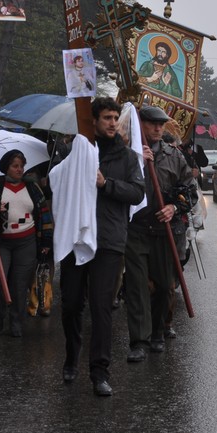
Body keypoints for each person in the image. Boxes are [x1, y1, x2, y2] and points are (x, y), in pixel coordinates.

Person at [55, 97, 144, 396]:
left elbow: (136, 193)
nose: (112, 123)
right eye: (106, 117)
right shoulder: (75, 152)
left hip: (108, 239)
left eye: (115, 118)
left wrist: (107, 184)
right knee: (70, 304)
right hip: (76, 237)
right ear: (92, 121)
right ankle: (71, 358)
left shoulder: (128, 158)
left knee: (101, 306)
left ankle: (99, 371)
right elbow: (55, 183)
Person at [124, 106, 194, 362]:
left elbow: (190, 192)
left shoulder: (175, 157)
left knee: (165, 286)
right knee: (138, 286)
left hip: (166, 231)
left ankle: (157, 332)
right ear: (140, 124)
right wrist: (138, 164)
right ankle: (138, 341)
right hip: (136, 229)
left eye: (161, 124)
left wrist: (173, 207)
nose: (157, 128)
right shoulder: (128, 155)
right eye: (152, 123)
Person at [0, 150, 53, 337]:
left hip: (26, 242)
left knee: (19, 283)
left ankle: (16, 320)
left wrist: (46, 241)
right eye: (15, 166)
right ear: (6, 168)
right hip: (2, 242)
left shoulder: (32, 187)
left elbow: (44, 213)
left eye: (21, 166)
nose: (19, 169)